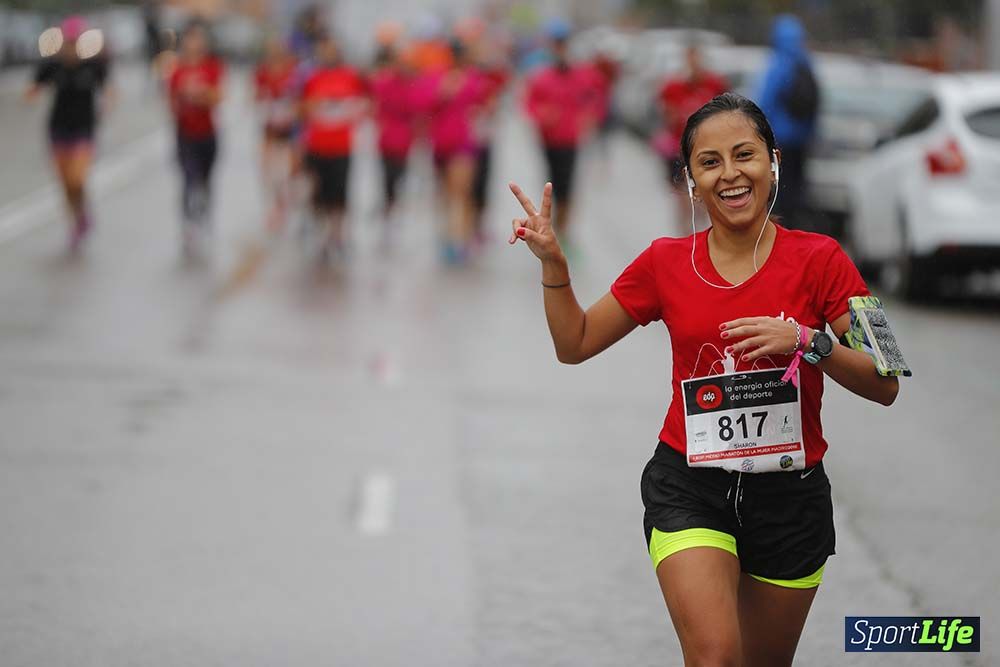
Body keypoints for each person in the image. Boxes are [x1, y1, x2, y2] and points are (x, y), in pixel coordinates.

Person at [508, 92, 899, 667]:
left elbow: (887, 380)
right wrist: (555, 269)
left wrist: (810, 343)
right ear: (690, 179)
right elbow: (576, 343)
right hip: (688, 485)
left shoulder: (825, 259)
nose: (730, 174)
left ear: (773, 162)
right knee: (715, 657)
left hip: (790, 500)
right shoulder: (665, 262)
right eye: (709, 162)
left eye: (745, 155)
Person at [26, 15, 112, 253]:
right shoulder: (52, 65)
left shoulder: (93, 65)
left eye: (76, 42)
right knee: (65, 183)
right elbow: (33, 88)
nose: (72, 47)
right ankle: (76, 222)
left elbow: (108, 89)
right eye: (69, 42)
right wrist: (31, 94)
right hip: (58, 129)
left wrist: (108, 102)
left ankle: (82, 212)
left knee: (77, 178)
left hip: (84, 129)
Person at [523, 20, 600, 240]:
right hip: (548, 140)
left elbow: (595, 97)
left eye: (563, 43)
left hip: (570, 140)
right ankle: (553, 227)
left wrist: (589, 117)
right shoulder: (542, 76)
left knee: (568, 187)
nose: (560, 49)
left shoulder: (581, 75)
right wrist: (542, 115)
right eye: (556, 44)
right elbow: (529, 104)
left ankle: (564, 231)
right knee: (551, 185)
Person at [299, 33, 367, 262]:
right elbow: (301, 108)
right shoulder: (311, 77)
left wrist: (348, 110)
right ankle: (320, 233)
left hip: (342, 145)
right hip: (317, 145)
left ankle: (338, 235)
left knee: (340, 194)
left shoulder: (350, 76)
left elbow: (363, 103)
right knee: (317, 192)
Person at [653, 43, 727, 232]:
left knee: (703, 196)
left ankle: (701, 230)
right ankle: (685, 237)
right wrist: (676, 114)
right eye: (689, 60)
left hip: (707, 149)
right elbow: (664, 112)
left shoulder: (714, 84)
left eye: (697, 60)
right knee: (683, 197)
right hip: (679, 148)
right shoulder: (673, 86)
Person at [166, 21, 224, 254]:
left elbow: (217, 96)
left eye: (198, 39)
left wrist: (200, 96)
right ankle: (188, 224)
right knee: (189, 179)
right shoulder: (177, 69)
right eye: (191, 39)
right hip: (185, 134)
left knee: (206, 179)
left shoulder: (212, 67)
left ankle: (205, 214)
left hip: (207, 132)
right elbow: (171, 101)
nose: (195, 44)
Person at [756, 15, 819, 231]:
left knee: (780, 188)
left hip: (780, 138)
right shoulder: (807, 63)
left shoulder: (778, 64)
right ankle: (799, 228)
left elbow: (765, 102)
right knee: (798, 188)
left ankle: (782, 231)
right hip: (803, 139)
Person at [254, 35, 298, 233]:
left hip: (289, 131)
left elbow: (299, 100)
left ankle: (284, 204)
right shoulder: (262, 72)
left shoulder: (293, 73)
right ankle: (276, 205)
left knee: (286, 173)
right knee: (269, 174)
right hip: (269, 130)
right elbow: (256, 97)